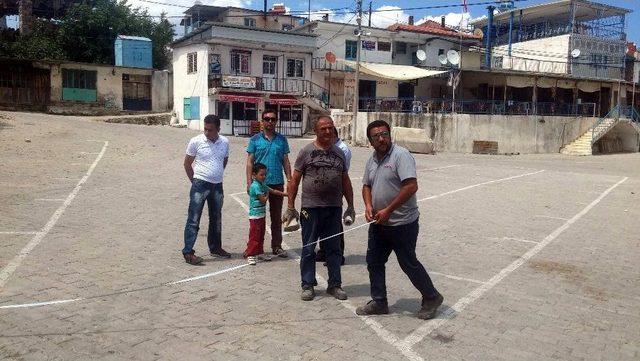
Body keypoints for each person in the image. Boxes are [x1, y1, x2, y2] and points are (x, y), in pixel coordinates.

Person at [355, 120, 444, 320]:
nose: (381, 138)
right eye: (376, 136)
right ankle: (379, 301)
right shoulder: (372, 159)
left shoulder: (401, 156)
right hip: (379, 223)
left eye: (384, 134)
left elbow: (411, 186)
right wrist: (369, 206)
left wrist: (388, 209)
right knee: (374, 261)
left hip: (402, 223)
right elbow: (366, 186)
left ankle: (432, 297)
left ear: (390, 135)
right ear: (370, 141)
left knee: (408, 262)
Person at [284, 116, 355, 301]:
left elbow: (345, 180)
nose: (328, 131)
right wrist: (290, 207)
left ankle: (335, 285)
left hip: (333, 208)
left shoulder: (339, 153)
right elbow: (294, 180)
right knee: (308, 248)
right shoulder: (306, 151)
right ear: (316, 131)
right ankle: (307, 284)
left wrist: (351, 206)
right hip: (311, 208)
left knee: (334, 249)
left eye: (330, 128)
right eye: (323, 128)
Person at [181, 114, 231, 265]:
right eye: (205, 129)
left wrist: (217, 174)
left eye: (211, 130)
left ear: (218, 129)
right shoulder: (196, 141)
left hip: (217, 186)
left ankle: (215, 247)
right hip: (200, 184)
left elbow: (224, 160)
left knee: (216, 219)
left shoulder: (225, 142)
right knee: (194, 219)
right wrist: (195, 182)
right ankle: (188, 252)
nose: (207, 133)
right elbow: (187, 164)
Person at [246, 110, 292, 258]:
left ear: (276, 121)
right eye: (267, 119)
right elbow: (249, 162)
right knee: (257, 218)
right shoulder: (254, 140)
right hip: (259, 185)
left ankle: (277, 246)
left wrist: (290, 180)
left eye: (273, 119)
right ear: (262, 121)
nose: (270, 122)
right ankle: (256, 248)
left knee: (276, 217)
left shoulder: (282, 140)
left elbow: (285, 161)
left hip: (277, 182)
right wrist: (248, 182)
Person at [316, 127, 351, 265]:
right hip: (323, 189)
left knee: (334, 223)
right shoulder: (327, 146)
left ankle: (338, 254)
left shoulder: (342, 149)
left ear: (334, 135)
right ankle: (324, 251)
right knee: (322, 220)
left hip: (335, 188)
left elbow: (342, 171)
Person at [244, 163, 288, 265]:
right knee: (254, 236)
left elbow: (274, 191)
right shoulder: (255, 186)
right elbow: (263, 200)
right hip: (255, 216)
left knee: (260, 235)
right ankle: (250, 255)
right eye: (261, 175)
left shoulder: (262, 184)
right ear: (254, 175)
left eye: (265, 174)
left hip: (261, 215)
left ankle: (260, 252)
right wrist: (267, 193)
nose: (264, 177)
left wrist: (286, 194)